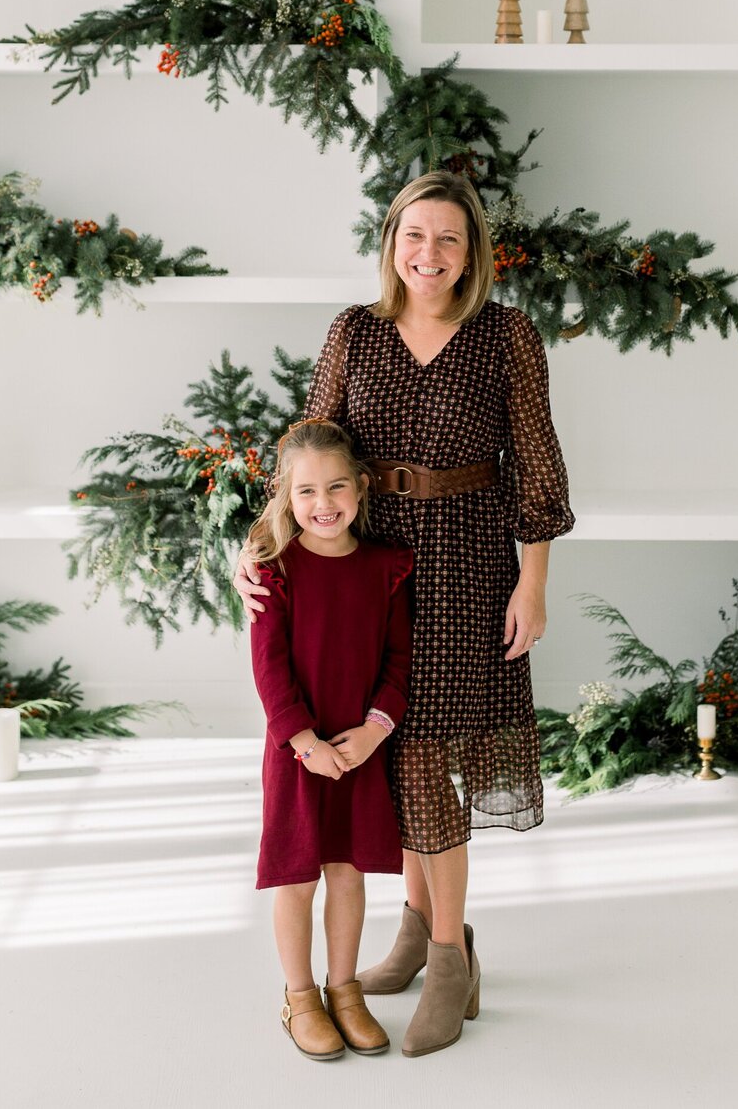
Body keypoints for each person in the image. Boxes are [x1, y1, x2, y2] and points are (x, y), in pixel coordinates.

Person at [236, 171, 574, 1059]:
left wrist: (531, 582)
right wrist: (260, 543)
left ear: (473, 254)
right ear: (391, 243)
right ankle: (418, 934)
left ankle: (454, 957)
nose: (429, 255)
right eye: (413, 236)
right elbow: (309, 448)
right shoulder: (356, 332)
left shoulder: (505, 336)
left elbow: (536, 462)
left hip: (466, 564)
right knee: (392, 758)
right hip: (369, 568)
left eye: (449, 239)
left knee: (430, 759)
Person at [248, 416, 414, 1062]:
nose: (324, 505)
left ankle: (345, 990)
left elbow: (399, 663)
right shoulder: (274, 570)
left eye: (337, 488)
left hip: (359, 751)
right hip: (299, 753)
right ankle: (298, 998)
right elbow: (270, 672)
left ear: (362, 487)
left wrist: (374, 733)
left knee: (347, 873)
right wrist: (305, 742)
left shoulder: (386, 568)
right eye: (307, 492)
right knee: (298, 878)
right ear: (287, 496)